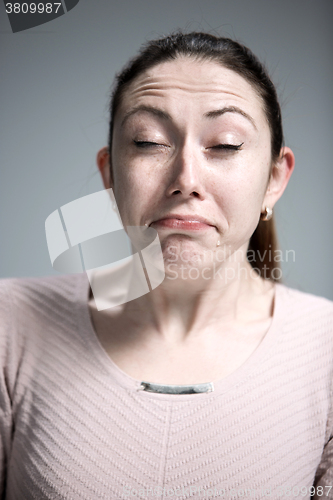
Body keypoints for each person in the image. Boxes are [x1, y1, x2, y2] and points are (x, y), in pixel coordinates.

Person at [0, 31, 332, 499]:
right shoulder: (10, 326)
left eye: (226, 144)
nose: (186, 180)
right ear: (109, 174)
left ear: (274, 179)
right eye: (148, 141)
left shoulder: (327, 354)